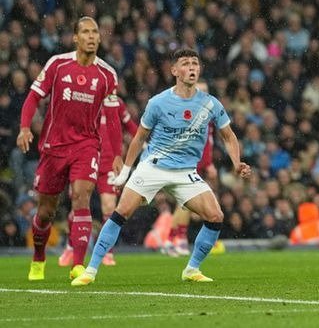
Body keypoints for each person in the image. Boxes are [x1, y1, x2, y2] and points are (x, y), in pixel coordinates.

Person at [71, 49, 251, 286]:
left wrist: (236, 162)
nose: (192, 67)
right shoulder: (158, 102)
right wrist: (126, 170)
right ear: (174, 71)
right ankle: (90, 271)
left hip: (185, 171)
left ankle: (191, 269)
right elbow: (138, 138)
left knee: (215, 216)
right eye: (185, 63)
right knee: (120, 212)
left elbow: (228, 136)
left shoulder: (210, 104)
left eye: (195, 63)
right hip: (153, 166)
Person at [17, 16, 118, 281]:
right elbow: (33, 97)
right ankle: (39, 257)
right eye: (85, 32)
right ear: (75, 38)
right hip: (54, 146)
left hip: (86, 146)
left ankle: (77, 264)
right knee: (46, 211)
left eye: (95, 32)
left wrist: (117, 153)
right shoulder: (58, 64)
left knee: (81, 197)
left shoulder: (107, 75)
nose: (91, 36)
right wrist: (25, 127)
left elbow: (114, 117)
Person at [58, 93, 138, 268]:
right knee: (78, 206)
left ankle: (106, 251)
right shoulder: (83, 99)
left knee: (109, 207)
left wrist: (145, 143)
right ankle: (71, 247)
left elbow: (130, 125)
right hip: (84, 160)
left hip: (109, 164)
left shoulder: (116, 103)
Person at [161, 80, 219, 258]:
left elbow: (206, 143)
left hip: (192, 163)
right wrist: (208, 163)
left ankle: (172, 240)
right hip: (189, 163)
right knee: (186, 203)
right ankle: (178, 239)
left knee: (183, 204)